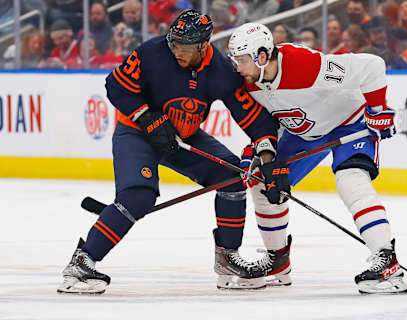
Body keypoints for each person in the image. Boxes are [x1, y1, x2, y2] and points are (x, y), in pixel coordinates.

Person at [57, 10, 280, 294]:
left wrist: (268, 157)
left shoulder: (223, 71)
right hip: (137, 133)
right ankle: (81, 262)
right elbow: (115, 86)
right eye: (174, 44)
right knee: (138, 196)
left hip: (182, 138)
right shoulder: (152, 52)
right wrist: (147, 117)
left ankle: (227, 259)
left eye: (184, 48)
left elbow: (253, 118)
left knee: (231, 177)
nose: (177, 52)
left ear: (203, 46)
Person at [228, 22, 407, 294]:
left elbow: (371, 66)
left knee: (351, 179)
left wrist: (378, 109)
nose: (238, 68)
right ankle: (278, 262)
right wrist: (254, 154)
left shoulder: (304, 65)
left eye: (242, 61)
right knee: (263, 185)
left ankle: (386, 261)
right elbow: (265, 125)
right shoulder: (250, 82)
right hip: (302, 131)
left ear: (262, 56)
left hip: (349, 124)